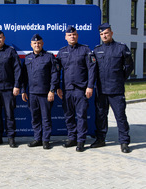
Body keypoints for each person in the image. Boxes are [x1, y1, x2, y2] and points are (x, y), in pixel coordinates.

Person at [91, 23, 134, 153]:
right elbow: (93, 70)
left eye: (106, 33)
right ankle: (100, 139)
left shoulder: (121, 48)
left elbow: (129, 66)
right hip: (101, 90)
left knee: (120, 116)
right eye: (102, 34)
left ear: (111, 33)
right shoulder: (97, 50)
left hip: (116, 89)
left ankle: (124, 142)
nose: (104, 36)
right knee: (101, 116)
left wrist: (120, 79)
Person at [56, 26, 96, 152]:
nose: (72, 37)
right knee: (69, 116)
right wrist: (57, 87)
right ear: (65, 37)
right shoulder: (62, 52)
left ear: (77, 36)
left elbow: (92, 69)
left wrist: (90, 86)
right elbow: (56, 71)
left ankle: (81, 141)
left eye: (74, 35)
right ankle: (72, 138)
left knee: (81, 116)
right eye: (69, 35)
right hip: (66, 90)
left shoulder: (85, 50)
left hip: (81, 89)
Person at [21, 34, 59, 150]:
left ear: (42, 44)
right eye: (34, 43)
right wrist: (23, 91)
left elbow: (54, 75)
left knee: (46, 118)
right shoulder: (27, 58)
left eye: (39, 43)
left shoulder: (49, 57)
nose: (37, 45)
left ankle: (46, 140)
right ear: (31, 45)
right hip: (32, 93)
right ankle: (37, 138)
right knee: (35, 117)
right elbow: (23, 77)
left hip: (45, 94)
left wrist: (52, 90)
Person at [0, 29, 22, 148]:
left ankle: (11, 138)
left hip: (8, 89)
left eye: (0, 37)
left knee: (9, 114)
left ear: (4, 38)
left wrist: (17, 85)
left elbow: (17, 69)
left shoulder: (11, 51)